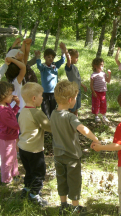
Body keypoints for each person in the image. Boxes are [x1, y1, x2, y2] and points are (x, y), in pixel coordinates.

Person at [51, 80, 100, 214]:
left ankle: (63, 204)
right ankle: (75, 206)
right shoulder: (69, 116)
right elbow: (82, 129)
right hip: (71, 156)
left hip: (58, 155)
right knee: (74, 181)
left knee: (61, 179)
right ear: (70, 100)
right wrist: (95, 138)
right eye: (76, 98)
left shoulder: (53, 114)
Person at [18, 82, 51, 207]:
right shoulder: (37, 113)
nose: (42, 98)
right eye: (41, 96)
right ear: (34, 98)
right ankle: (34, 195)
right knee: (39, 172)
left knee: (29, 171)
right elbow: (49, 127)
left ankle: (26, 190)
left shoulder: (22, 111)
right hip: (34, 150)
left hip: (23, 148)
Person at [0, 81, 20, 184]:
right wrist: (25, 124)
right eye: (10, 94)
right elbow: (13, 124)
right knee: (7, 159)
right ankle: (6, 180)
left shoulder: (5, 106)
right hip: (6, 138)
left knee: (13, 156)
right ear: (3, 95)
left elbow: (12, 116)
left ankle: (14, 174)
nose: (12, 95)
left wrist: (16, 105)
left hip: (10, 136)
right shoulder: (3, 111)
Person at [36, 44, 66, 118]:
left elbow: (62, 60)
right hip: (45, 93)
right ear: (44, 57)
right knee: (46, 112)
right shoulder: (43, 67)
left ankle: (52, 126)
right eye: (49, 57)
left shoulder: (54, 66)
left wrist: (63, 51)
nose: (51, 59)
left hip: (53, 93)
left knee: (53, 111)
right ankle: (46, 127)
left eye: (52, 57)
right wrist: (37, 57)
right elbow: (39, 66)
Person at [61, 42, 87, 117]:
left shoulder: (75, 68)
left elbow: (77, 79)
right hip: (72, 91)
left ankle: (75, 120)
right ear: (71, 57)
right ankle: (69, 120)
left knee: (77, 107)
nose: (77, 59)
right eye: (76, 57)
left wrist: (82, 85)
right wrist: (65, 49)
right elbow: (68, 59)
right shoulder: (69, 67)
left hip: (78, 90)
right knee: (72, 108)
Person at [90, 57, 111, 123]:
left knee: (103, 104)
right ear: (95, 66)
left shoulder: (103, 74)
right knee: (96, 104)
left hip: (103, 92)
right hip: (96, 92)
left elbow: (108, 81)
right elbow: (91, 85)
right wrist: (93, 92)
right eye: (100, 65)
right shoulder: (93, 75)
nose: (102, 66)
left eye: (103, 65)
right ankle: (96, 116)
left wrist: (109, 74)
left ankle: (104, 116)